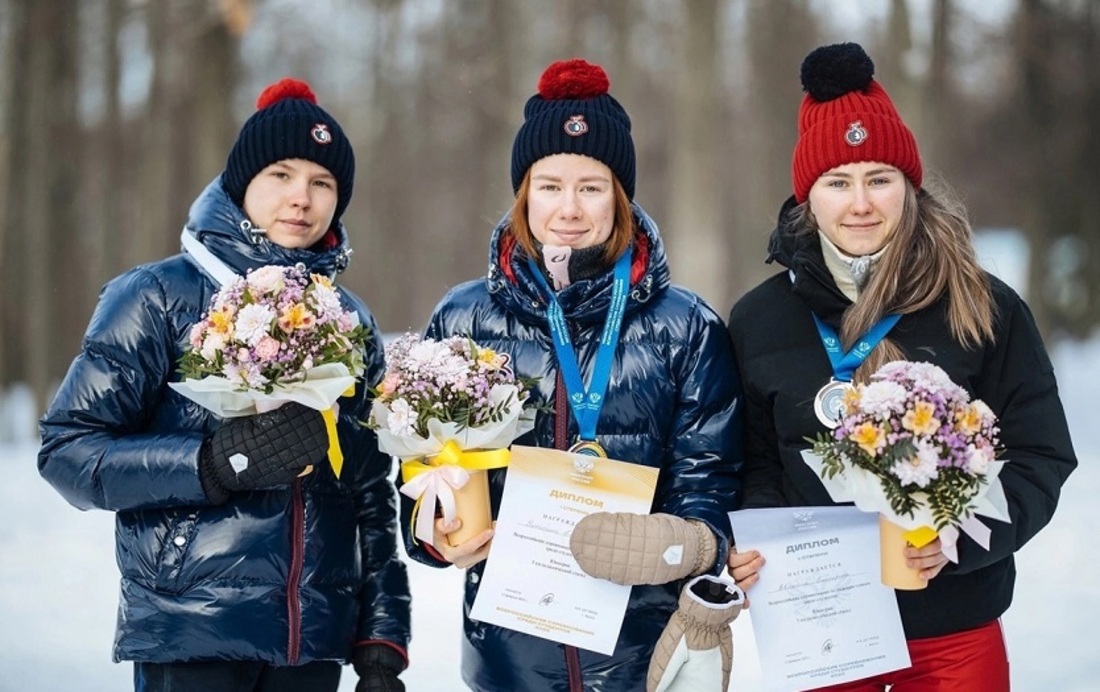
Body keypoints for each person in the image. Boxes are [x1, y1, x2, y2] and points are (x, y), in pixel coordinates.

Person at [38, 78, 411, 692]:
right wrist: (208, 463)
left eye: (323, 183)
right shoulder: (156, 297)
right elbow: (68, 452)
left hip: (312, 644)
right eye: (281, 175)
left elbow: (368, 490)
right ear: (242, 183)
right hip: (192, 632)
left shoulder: (349, 320)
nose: (302, 198)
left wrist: (380, 643)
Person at [725, 42, 1077, 690]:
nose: (860, 203)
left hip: (955, 625)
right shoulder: (760, 319)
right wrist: (751, 544)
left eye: (878, 178)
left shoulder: (984, 306)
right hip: (822, 626)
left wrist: (961, 541)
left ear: (909, 188)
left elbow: (1041, 454)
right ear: (808, 196)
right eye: (838, 181)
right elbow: (756, 464)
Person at [398, 58, 744, 691]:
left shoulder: (686, 325)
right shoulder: (464, 315)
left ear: (621, 196)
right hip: (508, 658)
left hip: (642, 655)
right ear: (523, 193)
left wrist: (687, 545)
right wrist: (435, 529)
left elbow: (711, 480)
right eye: (549, 185)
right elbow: (420, 466)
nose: (569, 208)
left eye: (592, 186)